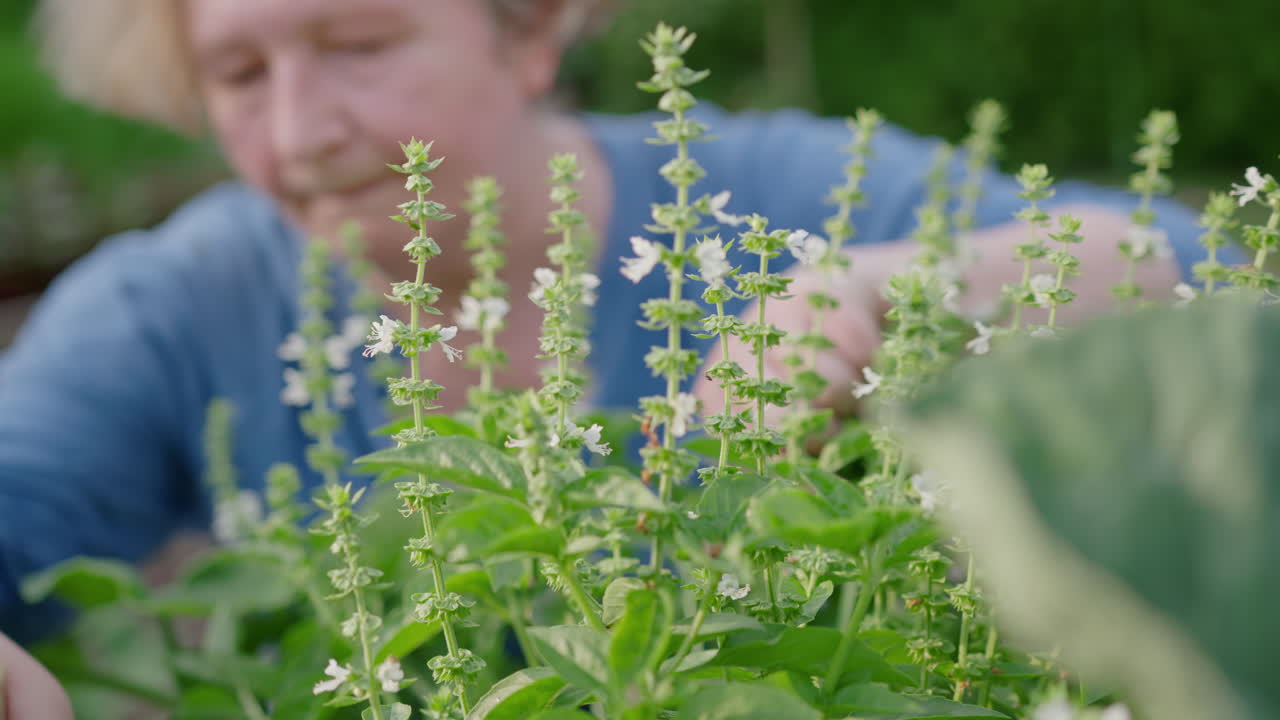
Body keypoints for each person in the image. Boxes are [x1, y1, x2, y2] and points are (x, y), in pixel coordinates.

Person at [0, 0, 1226, 714]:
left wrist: (890, 285)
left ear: (527, 33)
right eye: (237, 71)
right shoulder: (170, 308)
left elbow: (1202, 267)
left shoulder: (761, 194)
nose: (298, 131)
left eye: (360, 43)